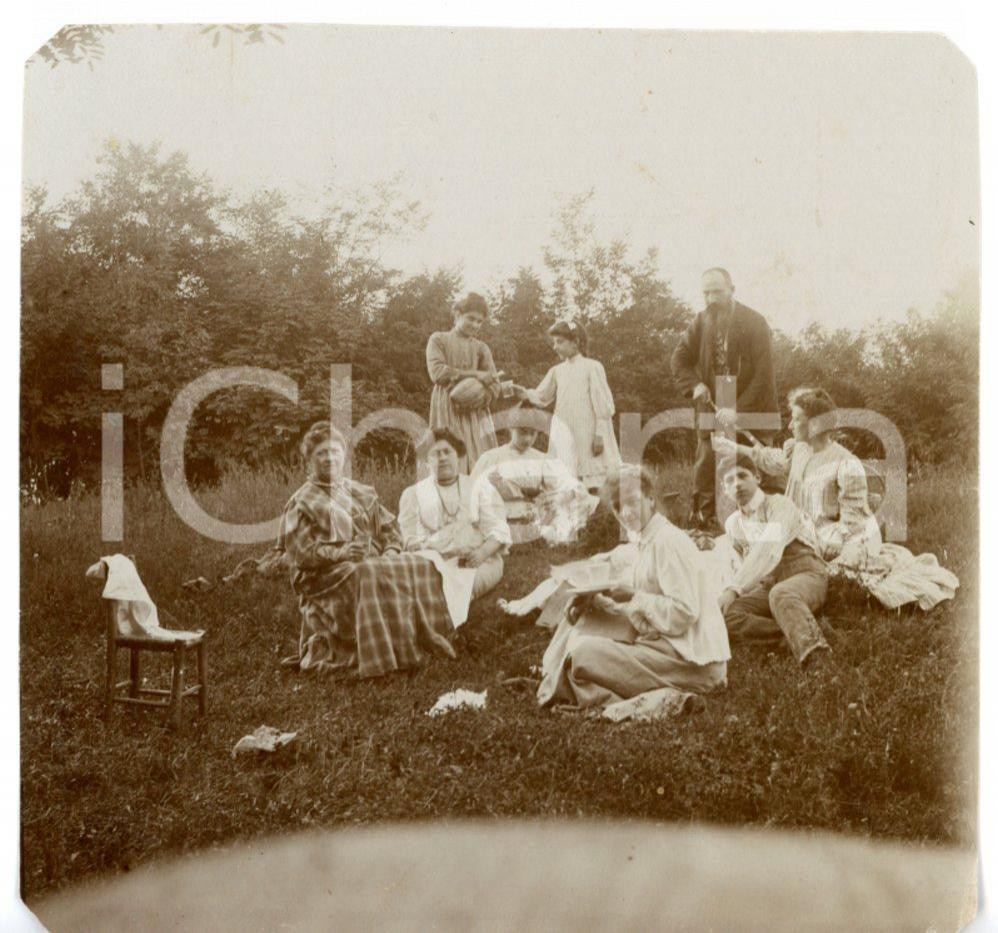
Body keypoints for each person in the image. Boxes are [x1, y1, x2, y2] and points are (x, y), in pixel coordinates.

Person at [537, 465, 730, 712]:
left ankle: (568, 680)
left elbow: (685, 611)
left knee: (583, 653)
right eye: (618, 506)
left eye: (632, 501)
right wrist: (599, 602)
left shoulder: (667, 542)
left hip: (695, 663)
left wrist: (632, 596)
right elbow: (647, 609)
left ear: (651, 499)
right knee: (585, 616)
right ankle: (553, 673)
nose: (626, 512)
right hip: (667, 643)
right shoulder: (646, 539)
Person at [277, 421, 457, 678]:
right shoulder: (301, 501)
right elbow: (301, 554)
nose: (329, 458)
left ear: (344, 455)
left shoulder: (361, 491)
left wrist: (393, 550)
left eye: (334, 451)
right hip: (322, 575)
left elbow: (389, 530)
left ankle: (422, 641)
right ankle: (381, 659)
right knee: (366, 572)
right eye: (321, 453)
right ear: (309, 460)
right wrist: (341, 554)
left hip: (369, 559)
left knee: (419, 563)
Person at [714, 387, 881, 561]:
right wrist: (735, 448)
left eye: (795, 420)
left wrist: (834, 539)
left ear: (815, 424)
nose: (790, 425)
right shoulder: (798, 449)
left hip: (828, 534)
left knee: (842, 555)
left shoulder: (846, 463)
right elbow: (772, 460)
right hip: (797, 528)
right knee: (734, 523)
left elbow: (852, 520)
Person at [670, 267, 779, 529]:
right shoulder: (700, 321)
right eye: (705, 293)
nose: (710, 299)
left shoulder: (755, 322)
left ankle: (768, 525)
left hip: (754, 405)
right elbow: (679, 359)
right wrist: (694, 385)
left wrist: (738, 411)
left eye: (716, 291)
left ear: (732, 289)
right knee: (707, 466)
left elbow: (764, 375)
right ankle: (707, 525)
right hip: (713, 405)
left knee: (757, 466)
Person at [718, 455, 830, 667]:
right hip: (769, 584)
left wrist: (733, 588)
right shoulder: (733, 524)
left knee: (781, 594)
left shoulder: (780, 505)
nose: (737, 484)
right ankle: (791, 635)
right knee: (728, 614)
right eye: (730, 481)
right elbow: (741, 563)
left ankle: (815, 655)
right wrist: (728, 594)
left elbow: (768, 550)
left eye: (742, 476)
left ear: (758, 478)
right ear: (724, 490)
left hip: (806, 573)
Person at [398, 428, 511, 603]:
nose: (442, 458)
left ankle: (440, 616)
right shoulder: (413, 494)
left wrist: (481, 553)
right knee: (411, 580)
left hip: (477, 561)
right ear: (426, 461)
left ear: (458, 457)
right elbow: (409, 539)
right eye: (435, 454)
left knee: (455, 587)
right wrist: (438, 550)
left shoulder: (479, 488)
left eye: (447, 452)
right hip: (430, 562)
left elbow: (498, 530)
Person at [513, 320, 621, 491]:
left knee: (592, 477)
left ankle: (597, 511)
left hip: (587, 428)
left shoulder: (592, 367)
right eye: (554, 342)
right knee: (566, 477)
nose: (555, 347)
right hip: (564, 427)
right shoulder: (557, 371)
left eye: (560, 342)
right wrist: (524, 393)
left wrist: (599, 434)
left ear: (576, 342)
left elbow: (603, 405)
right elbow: (542, 396)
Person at [469, 401, 598, 542]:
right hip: (501, 511)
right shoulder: (491, 457)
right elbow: (471, 489)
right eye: (522, 432)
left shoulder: (542, 459)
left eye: (533, 433)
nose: (527, 439)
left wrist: (562, 496)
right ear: (511, 428)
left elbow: (565, 483)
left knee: (578, 500)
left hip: (533, 512)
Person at [426, 292, 502, 473]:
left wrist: (480, 396)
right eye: (471, 318)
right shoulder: (438, 339)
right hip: (447, 407)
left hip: (475, 414)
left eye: (479, 321)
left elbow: (495, 385)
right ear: (457, 314)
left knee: (480, 462)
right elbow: (437, 373)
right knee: (451, 461)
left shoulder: (481, 348)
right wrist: (476, 375)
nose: (475, 325)